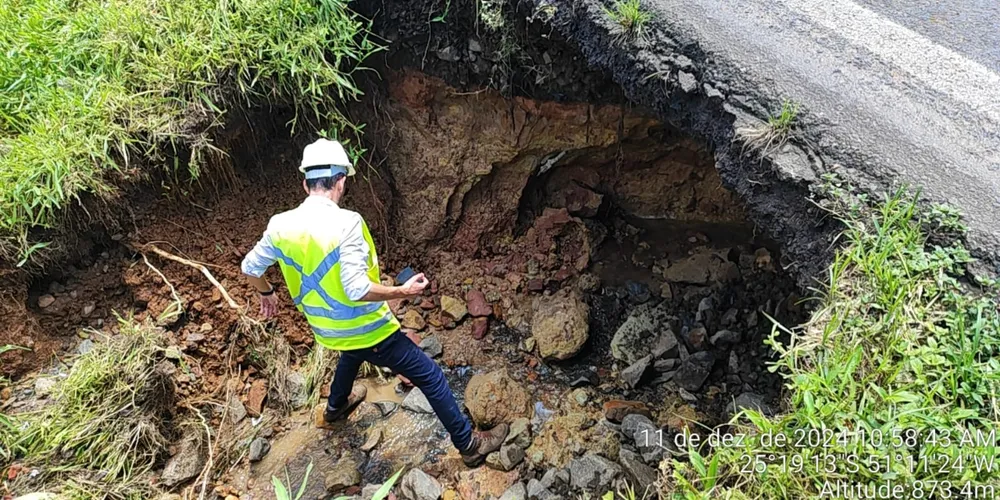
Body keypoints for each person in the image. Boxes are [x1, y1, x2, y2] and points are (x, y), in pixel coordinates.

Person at [240, 139, 508, 467]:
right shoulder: (346, 223)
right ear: (341, 181)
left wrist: (266, 293)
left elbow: (250, 268)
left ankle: (336, 408)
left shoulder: (280, 225)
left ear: (305, 183)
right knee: (431, 377)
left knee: (351, 353)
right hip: (367, 329)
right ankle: (469, 445)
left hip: (326, 330)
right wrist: (403, 292)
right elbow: (356, 289)